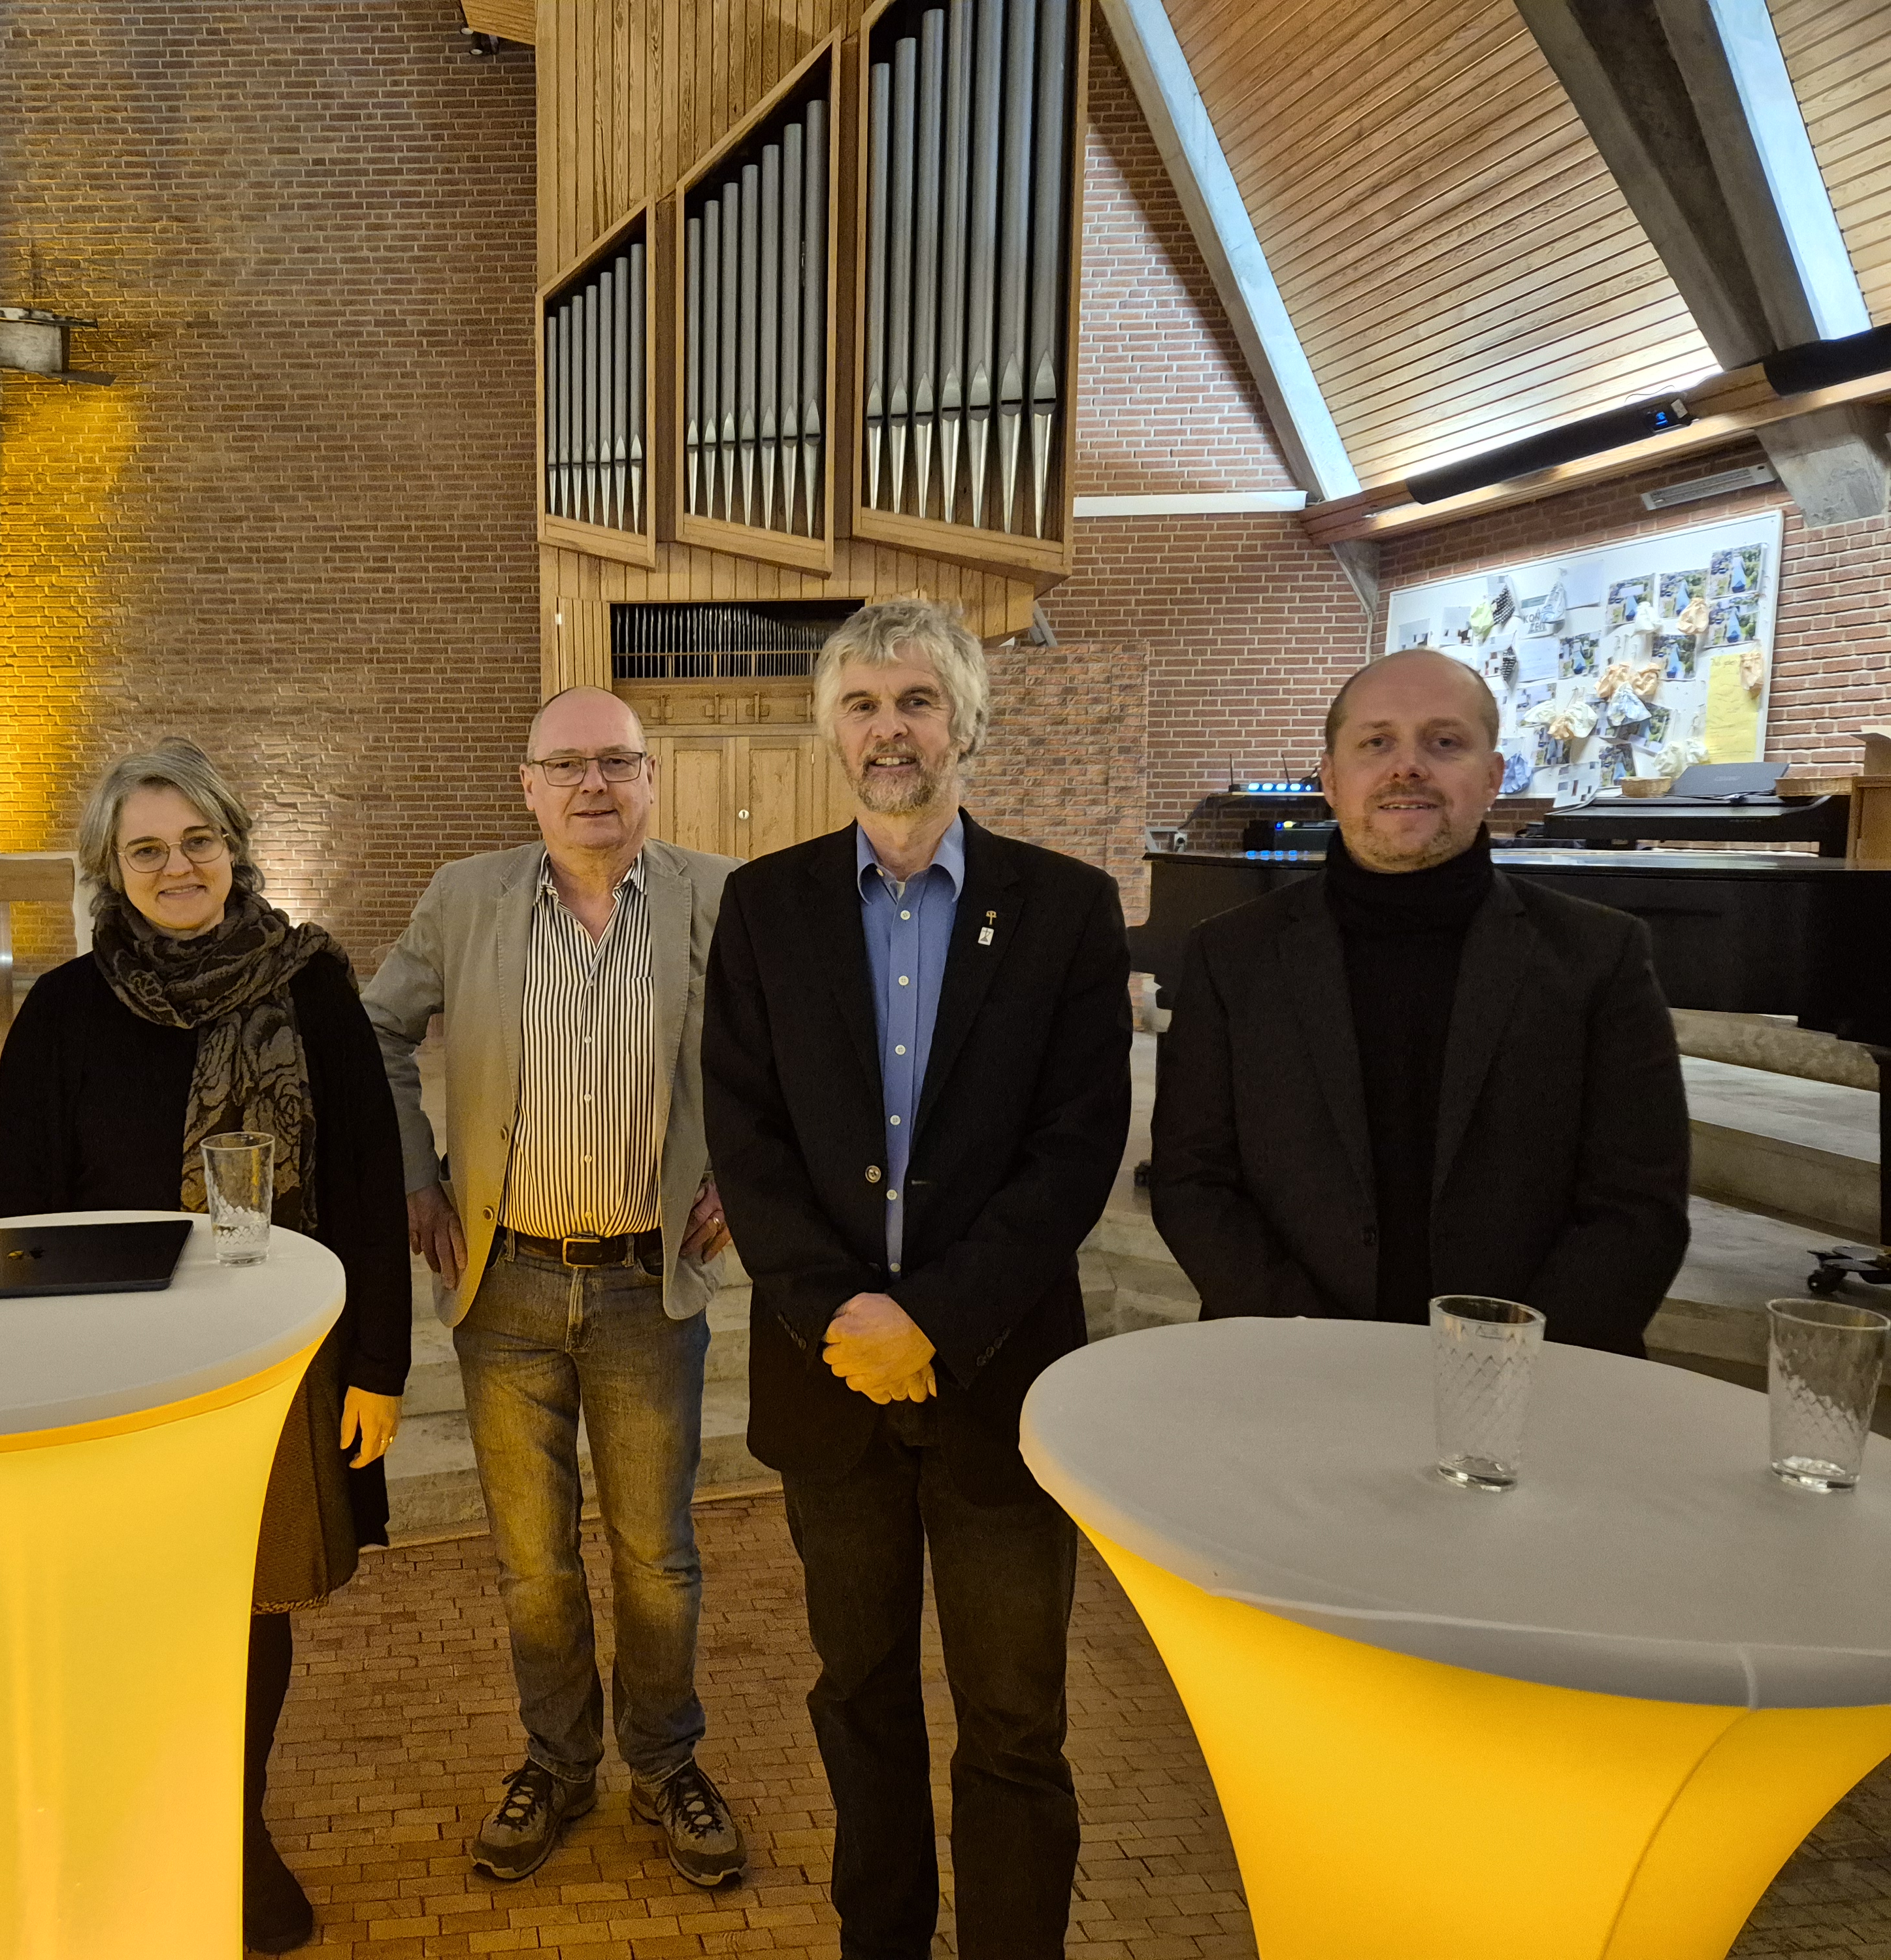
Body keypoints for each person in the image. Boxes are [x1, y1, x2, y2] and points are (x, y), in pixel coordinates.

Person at [702, 598, 1131, 1959]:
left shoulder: (1066, 909)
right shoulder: (764, 907)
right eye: (863, 705)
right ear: (830, 732)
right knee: (859, 1696)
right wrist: (843, 1316)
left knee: (1015, 1720)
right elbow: (745, 1138)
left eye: (917, 701)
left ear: (967, 724)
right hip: (829, 1380)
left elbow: (1076, 1149)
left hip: (998, 1379)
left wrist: (934, 1320)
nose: (889, 730)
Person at [0, 737, 410, 1954]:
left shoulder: (312, 990)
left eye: (198, 842)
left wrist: (379, 1366)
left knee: (248, 1607)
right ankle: (139, 1826)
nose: (179, 868)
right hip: (111, 1369)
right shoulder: (66, 1010)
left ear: (234, 848)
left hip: (273, 1361)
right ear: (110, 871)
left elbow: (369, 1183)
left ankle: (232, 1830)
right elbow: (11, 1210)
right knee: (130, 1612)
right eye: (148, 851)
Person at [361, 685, 746, 1889]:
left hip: (645, 1286)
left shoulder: (719, 896)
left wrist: (745, 1171)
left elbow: (792, 1048)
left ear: (650, 779)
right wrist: (414, 1176)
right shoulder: (464, 897)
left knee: (657, 1557)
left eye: (617, 762)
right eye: (567, 764)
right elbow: (375, 1031)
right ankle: (559, 1762)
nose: (594, 785)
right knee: (533, 1562)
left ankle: (666, 1763)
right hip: (507, 1285)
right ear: (527, 786)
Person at [1149, 646, 1690, 1351]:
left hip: (1534, 1377)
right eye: (1377, 743)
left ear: (1493, 777)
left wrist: (1506, 1361)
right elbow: (1193, 1181)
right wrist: (1313, 1347)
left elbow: (1637, 1206)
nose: (1407, 766)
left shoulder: (1599, 955)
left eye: (1444, 742)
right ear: (1331, 780)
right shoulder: (1230, 956)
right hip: (1286, 1362)